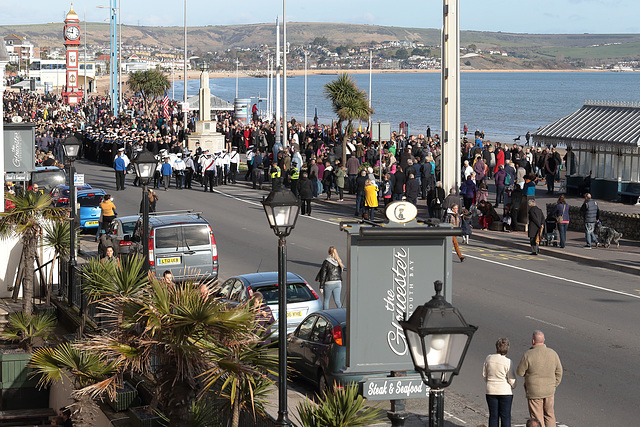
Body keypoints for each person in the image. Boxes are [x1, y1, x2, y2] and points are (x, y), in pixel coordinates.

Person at [516, 331, 563, 427]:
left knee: (537, 418)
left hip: (534, 392)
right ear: (544, 340)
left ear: (533, 341)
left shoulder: (528, 355)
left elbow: (520, 372)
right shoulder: (552, 353)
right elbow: (559, 372)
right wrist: (554, 384)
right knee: (549, 415)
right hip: (549, 390)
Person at [483, 338, 516, 427]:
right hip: (505, 391)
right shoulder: (508, 362)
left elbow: (484, 374)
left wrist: (490, 382)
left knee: (493, 416)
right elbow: (511, 378)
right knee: (505, 416)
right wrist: (513, 385)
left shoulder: (489, 358)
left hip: (491, 390)